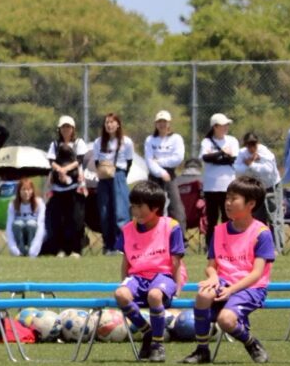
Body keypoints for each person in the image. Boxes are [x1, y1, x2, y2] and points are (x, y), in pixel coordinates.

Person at [181, 175, 273, 364]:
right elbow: (211, 266)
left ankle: (251, 343)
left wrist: (231, 290)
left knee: (226, 320)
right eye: (227, 198)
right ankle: (202, 350)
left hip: (251, 287)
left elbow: (257, 274)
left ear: (251, 204)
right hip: (223, 282)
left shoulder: (261, 233)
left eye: (234, 199)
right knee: (203, 295)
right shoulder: (219, 230)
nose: (228, 203)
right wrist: (213, 277)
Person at [113, 181, 187, 363]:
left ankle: (157, 344)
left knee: (155, 295)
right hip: (137, 277)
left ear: (155, 208)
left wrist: (176, 289)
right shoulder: (127, 230)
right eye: (133, 206)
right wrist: (125, 283)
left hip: (163, 276)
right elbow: (126, 261)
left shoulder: (171, 226)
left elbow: (176, 261)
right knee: (120, 294)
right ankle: (147, 331)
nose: (135, 211)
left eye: (140, 207)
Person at [46, 116, 89, 257]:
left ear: (73, 129)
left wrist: (66, 169)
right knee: (59, 220)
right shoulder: (54, 144)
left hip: (75, 187)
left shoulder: (78, 143)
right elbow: (51, 160)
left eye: (68, 127)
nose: (66, 130)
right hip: (58, 188)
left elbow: (80, 160)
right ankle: (61, 249)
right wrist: (59, 170)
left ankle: (76, 249)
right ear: (59, 129)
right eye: (63, 127)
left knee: (76, 219)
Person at [92, 113, 134, 254]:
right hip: (104, 177)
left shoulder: (126, 142)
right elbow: (97, 161)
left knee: (120, 211)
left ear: (118, 124)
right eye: (107, 122)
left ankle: (121, 244)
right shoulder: (98, 142)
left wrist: (119, 174)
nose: (109, 125)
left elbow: (129, 161)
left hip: (119, 175)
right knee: (105, 211)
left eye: (112, 122)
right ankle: (108, 245)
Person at [199, 113, 239, 248]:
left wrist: (216, 158)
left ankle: (228, 244)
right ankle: (210, 246)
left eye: (227, 125)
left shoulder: (232, 140)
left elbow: (233, 159)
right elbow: (205, 158)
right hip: (211, 187)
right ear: (215, 127)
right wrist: (222, 153)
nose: (226, 127)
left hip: (228, 185)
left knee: (228, 217)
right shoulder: (206, 142)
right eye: (223, 125)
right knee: (212, 219)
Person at [144, 110, 186, 231]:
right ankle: (152, 233)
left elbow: (178, 158)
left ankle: (179, 235)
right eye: (159, 122)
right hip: (154, 175)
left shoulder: (176, 138)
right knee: (153, 206)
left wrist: (159, 162)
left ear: (169, 123)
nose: (162, 124)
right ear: (156, 124)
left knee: (176, 207)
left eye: (165, 121)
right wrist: (161, 172)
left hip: (170, 174)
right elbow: (149, 161)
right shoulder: (150, 140)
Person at [234, 132, 281, 227]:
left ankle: (276, 237)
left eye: (253, 144)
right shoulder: (242, 153)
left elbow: (267, 170)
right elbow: (237, 171)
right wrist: (250, 164)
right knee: (257, 218)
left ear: (257, 143)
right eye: (249, 145)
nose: (251, 147)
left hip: (271, 187)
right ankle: (261, 237)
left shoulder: (265, 152)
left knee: (274, 219)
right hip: (255, 189)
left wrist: (251, 164)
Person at [5, 178, 45, 257]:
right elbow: (9, 226)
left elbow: (41, 225)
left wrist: (33, 250)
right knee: (17, 224)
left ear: (32, 191)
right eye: (23, 190)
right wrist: (13, 249)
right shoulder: (13, 204)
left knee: (31, 224)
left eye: (29, 190)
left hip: (33, 233)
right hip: (19, 233)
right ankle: (21, 251)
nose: (26, 192)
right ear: (19, 191)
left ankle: (30, 250)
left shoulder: (39, 203)